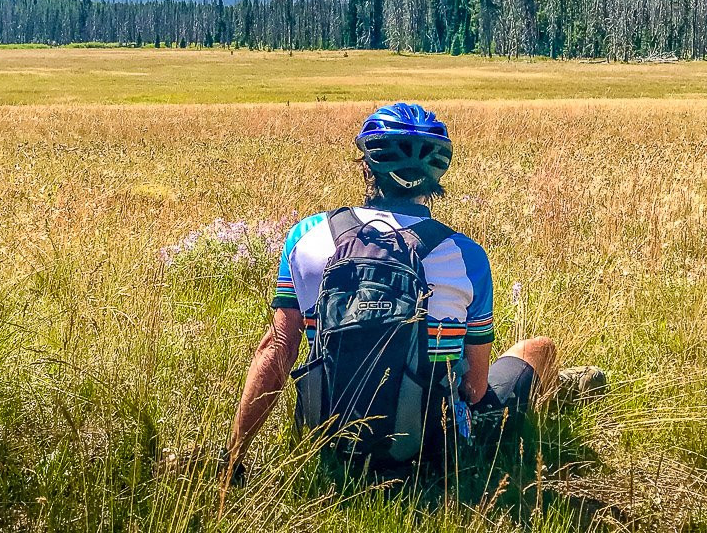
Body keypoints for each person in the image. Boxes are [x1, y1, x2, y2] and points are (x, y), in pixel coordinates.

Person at [222, 102, 604, 483]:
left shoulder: (306, 238)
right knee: (539, 349)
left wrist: (234, 456)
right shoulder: (466, 257)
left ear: (368, 165)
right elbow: (474, 386)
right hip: (430, 452)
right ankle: (558, 388)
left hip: (328, 443)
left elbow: (278, 350)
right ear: (436, 173)